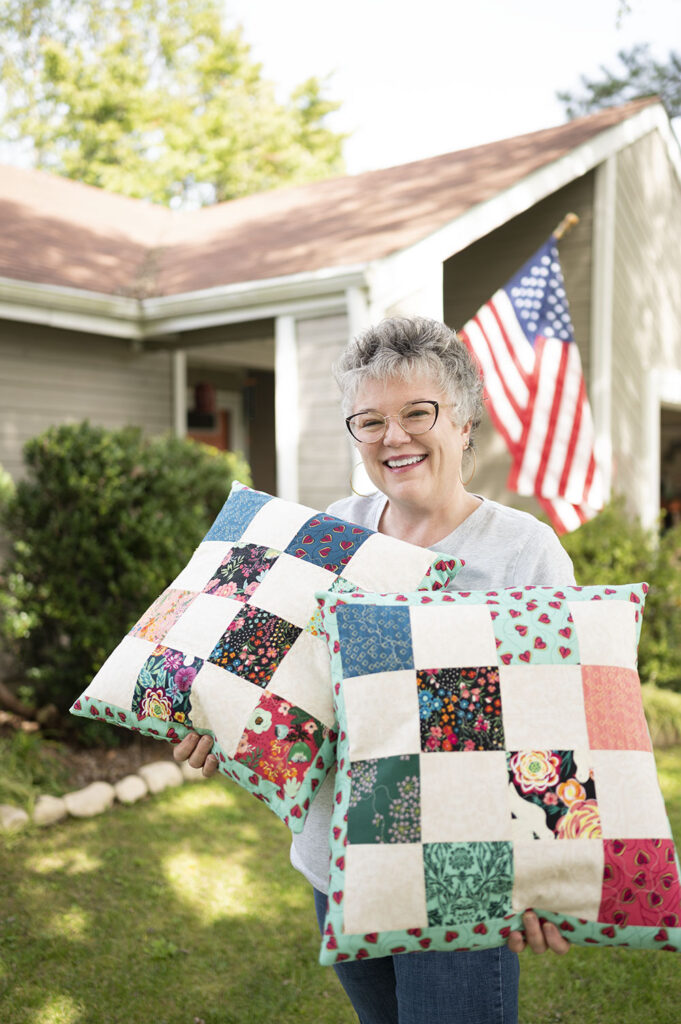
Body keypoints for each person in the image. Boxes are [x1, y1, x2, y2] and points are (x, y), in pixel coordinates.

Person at [175, 316, 575, 1024]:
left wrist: (551, 871)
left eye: (416, 413)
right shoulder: (336, 527)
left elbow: (556, 725)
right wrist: (218, 717)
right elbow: (283, 669)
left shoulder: (521, 552)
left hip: (459, 871)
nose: (393, 437)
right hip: (334, 857)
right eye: (369, 421)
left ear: (463, 419)